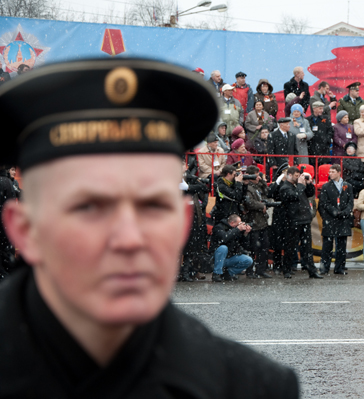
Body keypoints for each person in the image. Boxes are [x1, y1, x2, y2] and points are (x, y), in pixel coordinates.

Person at [0, 58, 298, 397]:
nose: (129, 239)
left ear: (183, 223)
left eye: (153, 206)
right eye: (89, 207)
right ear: (24, 229)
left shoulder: (252, 387)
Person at [279, 166, 323, 279]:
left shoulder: (299, 186)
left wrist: (308, 183)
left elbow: (310, 193)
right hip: (292, 221)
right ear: (289, 175)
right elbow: (295, 196)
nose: (298, 178)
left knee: (307, 247)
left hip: (304, 219)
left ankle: (311, 270)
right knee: (291, 247)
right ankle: (287, 270)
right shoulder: (285, 187)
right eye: (296, 176)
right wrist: (300, 185)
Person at [317, 164, 353, 275]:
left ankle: (340, 268)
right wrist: (334, 212)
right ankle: (324, 268)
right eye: (330, 171)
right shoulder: (326, 186)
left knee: (341, 246)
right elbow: (324, 203)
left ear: (339, 172)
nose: (330, 174)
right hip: (330, 219)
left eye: (332, 171)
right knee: (327, 246)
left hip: (343, 219)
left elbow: (350, 202)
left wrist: (345, 212)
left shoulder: (348, 186)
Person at [243, 166, 272, 279]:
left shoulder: (257, 186)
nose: (259, 177)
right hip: (253, 222)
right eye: (256, 175)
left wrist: (263, 182)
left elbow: (266, 193)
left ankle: (261, 269)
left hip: (261, 222)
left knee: (264, 247)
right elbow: (249, 202)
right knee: (253, 248)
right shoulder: (248, 188)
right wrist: (261, 206)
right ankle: (250, 271)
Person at [211, 214, 253, 282]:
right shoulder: (219, 227)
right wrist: (237, 229)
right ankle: (216, 273)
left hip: (230, 257)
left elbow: (245, 246)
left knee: (248, 260)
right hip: (217, 258)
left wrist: (246, 234)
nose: (240, 225)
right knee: (223, 248)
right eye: (239, 223)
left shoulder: (236, 230)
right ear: (232, 223)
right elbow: (224, 238)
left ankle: (228, 273)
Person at [308, 101, 333, 167]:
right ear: (314, 109)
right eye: (320, 108)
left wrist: (327, 140)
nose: (322, 110)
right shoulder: (308, 120)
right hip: (312, 148)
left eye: (322, 108)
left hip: (324, 149)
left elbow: (330, 130)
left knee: (323, 169)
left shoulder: (326, 119)